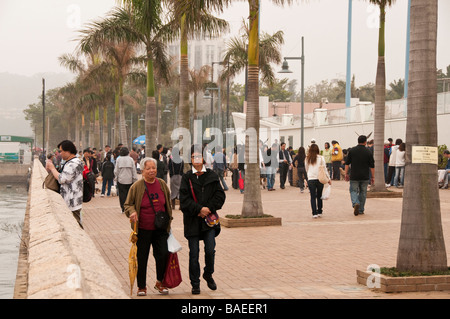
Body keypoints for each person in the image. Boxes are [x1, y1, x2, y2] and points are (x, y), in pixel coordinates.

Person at [179, 144, 226, 295]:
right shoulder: (187, 178)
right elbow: (184, 200)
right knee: (194, 253)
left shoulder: (212, 176)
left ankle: (208, 273)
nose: (197, 159)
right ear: (191, 159)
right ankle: (195, 283)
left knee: (210, 250)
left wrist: (208, 209)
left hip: (208, 222)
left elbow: (220, 196)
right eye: (194, 156)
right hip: (193, 221)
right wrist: (198, 209)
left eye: (199, 156)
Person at [124, 157, 173, 296]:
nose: (152, 171)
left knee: (163, 255)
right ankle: (141, 287)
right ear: (142, 170)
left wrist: (169, 222)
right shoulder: (137, 186)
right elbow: (128, 204)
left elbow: (167, 204)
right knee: (142, 257)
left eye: (153, 168)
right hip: (143, 229)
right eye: (148, 168)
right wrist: (132, 212)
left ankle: (160, 282)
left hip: (160, 229)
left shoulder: (162, 184)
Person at [45, 140, 84, 228]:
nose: (60, 153)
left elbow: (62, 179)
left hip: (72, 202)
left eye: (61, 151)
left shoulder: (74, 163)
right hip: (70, 201)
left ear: (68, 151)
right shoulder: (72, 162)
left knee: (76, 226)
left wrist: (52, 168)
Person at [344, 135, 375, 216]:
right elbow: (372, 166)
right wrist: (373, 177)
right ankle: (361, 209)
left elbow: (347, 163)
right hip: (364, 176)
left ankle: (355, 203)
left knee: (353, 191)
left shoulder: (352, 150)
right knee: (363, 192)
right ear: (365, 142)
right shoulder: (368, 151)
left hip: (354, 175)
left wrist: (346, 173)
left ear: (358, 141)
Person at [305, 144, 331, 218]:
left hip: (311, 178)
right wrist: (328, 178)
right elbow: (325, 169)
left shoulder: (307, 158)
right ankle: (319, 211)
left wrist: (308, 177)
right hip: (320, 178)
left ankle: (314, 213)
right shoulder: (321, 158)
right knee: (319, 195)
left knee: (312, 196)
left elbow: (306, 168)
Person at [115, 147, 138, 212]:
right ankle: (129, 207)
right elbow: (133, 170)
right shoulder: (131, 160)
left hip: (121, 180)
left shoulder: (118, 159)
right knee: (129, 195)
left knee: (122, 195)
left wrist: (116, 179)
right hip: (130, 180)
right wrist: (135, 179)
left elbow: (116, 171)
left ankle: (123, 208)